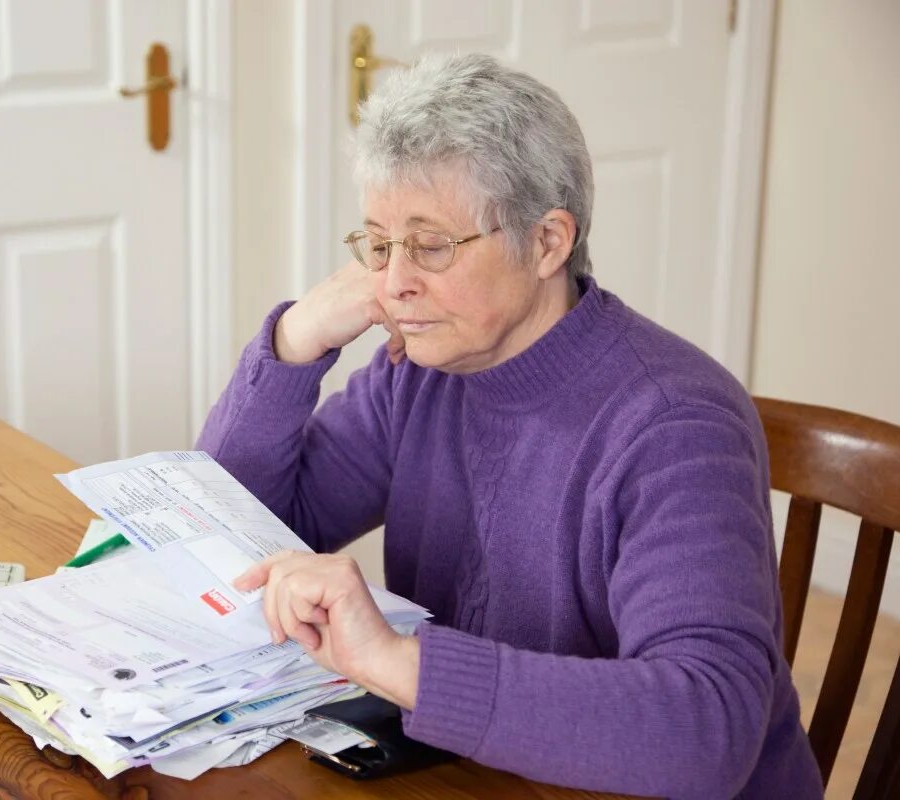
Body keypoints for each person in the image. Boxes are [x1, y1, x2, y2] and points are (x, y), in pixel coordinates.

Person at [200, 53, 822, 799]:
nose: (393, 281)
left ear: (548, 243)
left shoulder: (673, 424)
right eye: (378, 243)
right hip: (482, 773)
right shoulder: (420, 368)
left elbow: (705, 729)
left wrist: (399, 664)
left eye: (431, 245)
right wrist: (295, 342)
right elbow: (238, 537)